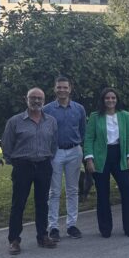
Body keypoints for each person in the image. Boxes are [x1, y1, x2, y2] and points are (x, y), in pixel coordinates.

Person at [2, 87, 58, 254]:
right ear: (26, 99)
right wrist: (16, 162)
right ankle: (14, 240)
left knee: (42, 203)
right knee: (18, 204)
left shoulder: (51, 121)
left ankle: (42, 236)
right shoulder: (15, 121)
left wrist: (47, 158)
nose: (36, 101)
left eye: (39, 98)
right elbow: (7, 145)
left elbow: (54, 144)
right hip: (23, 166)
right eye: (33, 98)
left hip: (43, 165)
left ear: (44, 100)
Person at [84, 87, 129, 238]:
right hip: (101, 156)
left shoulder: (125, 115)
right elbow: (88, 138)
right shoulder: (95, 117)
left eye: (113, 98)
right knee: (102, 194)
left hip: (120, 155)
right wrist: (89, 158)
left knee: (127, 191)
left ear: (117, 99)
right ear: (103, 100)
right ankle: (105, 228)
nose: (110, 100)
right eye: (107, 98)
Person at [43, 76, 86, 241]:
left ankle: (71, 225)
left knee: (73, 190)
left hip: (74, 151)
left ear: (70, 89)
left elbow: (82, 130)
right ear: (54, 89)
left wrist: (78, 146)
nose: (62, 90)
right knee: (54, 191)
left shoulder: (79, 109)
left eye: (65, 87)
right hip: (55, 153)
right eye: (59, 87)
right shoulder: (47, 110)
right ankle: (53, 227)